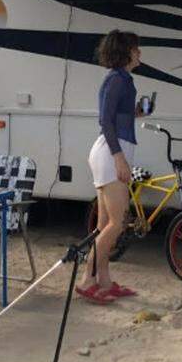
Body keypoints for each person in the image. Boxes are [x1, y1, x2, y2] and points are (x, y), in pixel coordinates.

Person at [77, 30, 146, 304]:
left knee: (106, 224)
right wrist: (119, 158)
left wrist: (137, 112)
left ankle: (104, 281)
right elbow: (105, 121)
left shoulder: (123, 80)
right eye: (136, 48)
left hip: (109, 152)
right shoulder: (117, 79)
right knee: (118, 222)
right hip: (109, 154)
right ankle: (87, 279)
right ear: (126, 51)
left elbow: (117, 116)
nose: (140, 53)